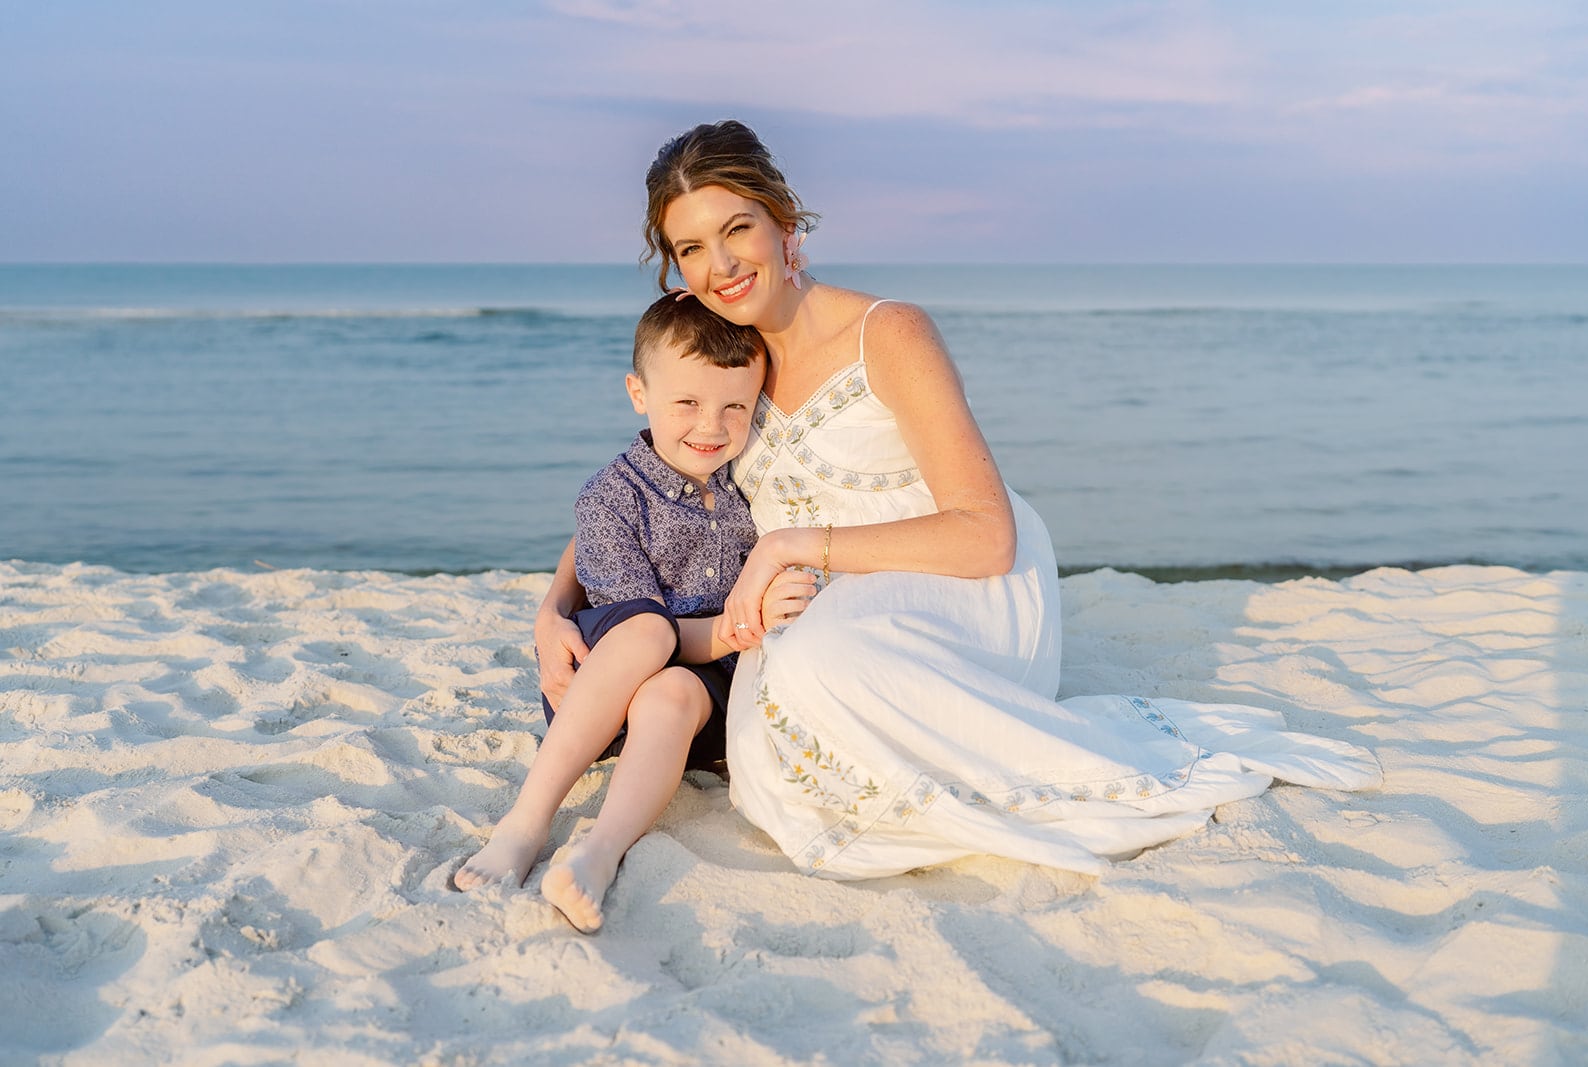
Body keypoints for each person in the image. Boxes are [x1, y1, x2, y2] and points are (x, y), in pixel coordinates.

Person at [535, 120, 1381, 887]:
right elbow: (640, 486)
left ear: (783, 221)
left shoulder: (888, 333)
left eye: (735, 230)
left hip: (966, 583)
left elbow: (986, 536)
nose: (719, 266)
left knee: (814, 661)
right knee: (772, 717)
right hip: (825, 601)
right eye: (691, 249)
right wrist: (555, 608)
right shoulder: (723, 359)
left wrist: (789, 545)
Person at [453, 292, 815, 932]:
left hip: (699, 703)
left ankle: (597, 853)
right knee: (649, 634)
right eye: (688, 403)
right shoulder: (611, 497)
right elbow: (643, 632)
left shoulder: (751, 482)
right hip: (602, 683)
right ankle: (526, 822)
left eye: (736, 406)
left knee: (673, 691)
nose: (712, 426)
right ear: (638, 392)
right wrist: (747, 620)